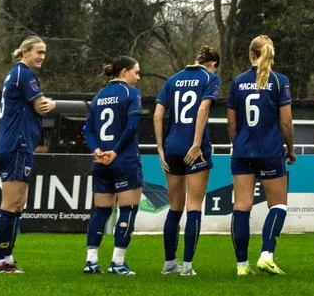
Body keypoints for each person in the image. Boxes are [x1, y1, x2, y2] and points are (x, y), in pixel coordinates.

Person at [0, 36, 57, 273]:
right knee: (10, 204)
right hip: (16, 143)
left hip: (21, 144)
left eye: (44, 53)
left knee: (18, 204)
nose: (42, 57)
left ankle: (7, 257)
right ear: (25, 52)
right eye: (38, 52)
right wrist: (52, 103)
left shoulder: (19, 74)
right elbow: (41, 106)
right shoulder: (24, 74)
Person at [227, 35, 292, 276]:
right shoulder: (279, 81)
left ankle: (242, 266)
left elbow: (231, 123)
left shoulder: (237, 81)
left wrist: (239, 144)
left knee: (241, 207)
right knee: (279, 204)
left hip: (243, 150)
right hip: (270, 150)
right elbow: (286, 123)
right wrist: (291, 148)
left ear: (251, 54)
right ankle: (266, 255)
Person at [157, 45, 223, 275]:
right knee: (194, 206)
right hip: (195, 148)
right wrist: (196, 143)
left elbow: (157, 114)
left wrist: (159, 148)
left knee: (175, 208)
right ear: (213, 64)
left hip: (172, 146)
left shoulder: (173, 79)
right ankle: (187, 267)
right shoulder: (210, 79)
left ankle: (169, 265)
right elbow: (204, 107)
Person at [82, 57, 145, 275]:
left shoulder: (98, 96)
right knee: (127, 210)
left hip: (100, 161)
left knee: (101, 211)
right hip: (124, 159)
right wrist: (116, 151)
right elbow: (132, 126)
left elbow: (87, 129)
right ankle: (117, 263)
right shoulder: (131, 94)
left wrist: (96, 149)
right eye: (136, 72)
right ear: (125, 72)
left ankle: (91, 261)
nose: (138, 77)